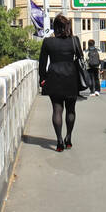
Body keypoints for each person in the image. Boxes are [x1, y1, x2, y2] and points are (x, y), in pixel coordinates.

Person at [38, 14, 82, 151]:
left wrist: (43, 78)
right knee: (71, 110)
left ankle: (59, 141)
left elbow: (42, 63)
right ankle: (68, 138)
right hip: (71, 78)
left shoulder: (48, 42)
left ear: (55, 27)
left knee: (57, 110)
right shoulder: (74, 40)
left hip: (54, 78)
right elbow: (81, 57)